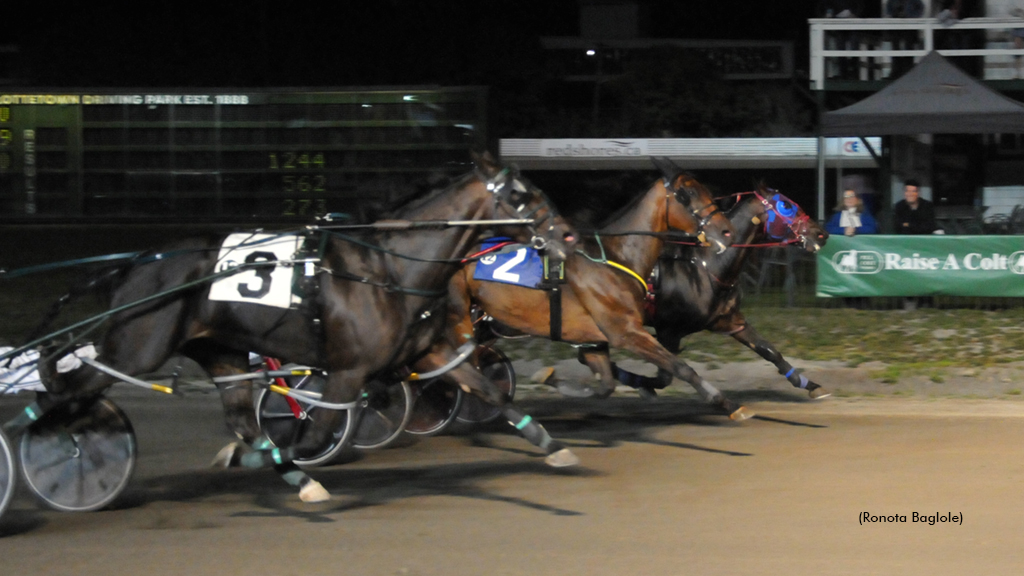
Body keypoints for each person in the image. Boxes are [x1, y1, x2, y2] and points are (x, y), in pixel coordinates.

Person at [893, 179, 938, 310]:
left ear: (918, 193)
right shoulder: (899, 206)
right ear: (904, 192)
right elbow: (897, 227)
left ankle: (927, 301)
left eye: (913, 191)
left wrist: (909, 225)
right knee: (908, 274)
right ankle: (909, 299)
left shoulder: (927, 206)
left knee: (926, 274)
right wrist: (915, 226)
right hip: (906, 248)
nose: (910, 194)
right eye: (907, 191)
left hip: (925, 247)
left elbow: (930, 226)